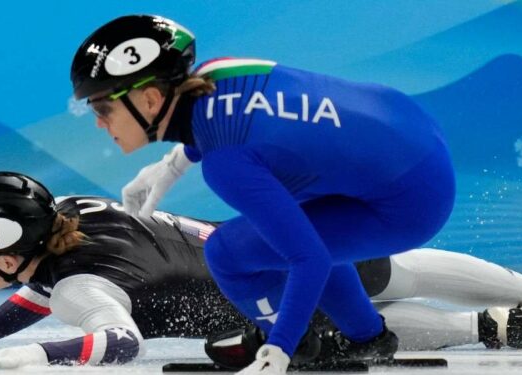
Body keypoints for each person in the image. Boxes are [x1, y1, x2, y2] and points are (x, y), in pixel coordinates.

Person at [0, 172, 522, 369]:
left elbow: (116, 341)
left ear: (7, 249)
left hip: (264, 302)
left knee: (342, 331)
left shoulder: (75, 286)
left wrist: (35, 355)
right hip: (267, 244)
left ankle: (484, 325)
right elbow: (49, 288)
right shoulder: (75, 208)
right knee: (390, 268)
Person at [70, 14, 456, 374]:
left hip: (410, 204)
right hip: (410, 131)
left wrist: (282, 347)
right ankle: (368, 339)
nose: (100, 124)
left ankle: (297, 340)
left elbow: (310, 259)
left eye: (103, 108)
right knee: (298, 219)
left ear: (151, 100)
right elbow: (244, 121)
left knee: (227, 252)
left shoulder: (226, 165)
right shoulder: (216, 72)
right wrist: (172, 165)